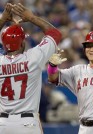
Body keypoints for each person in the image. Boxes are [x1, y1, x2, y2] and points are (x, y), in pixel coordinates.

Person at [0, 3, 61, 134]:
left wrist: (3, 19)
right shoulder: (33, 57)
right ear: (22, 43)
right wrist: (32, 18)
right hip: (27, 123)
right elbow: (55, 34)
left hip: (3, 124)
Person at [47, 31, 93, 134]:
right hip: (84, 128)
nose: (91, 49)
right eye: (88, 46)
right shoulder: (77, 70)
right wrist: (52, 66)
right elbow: (53, 77)